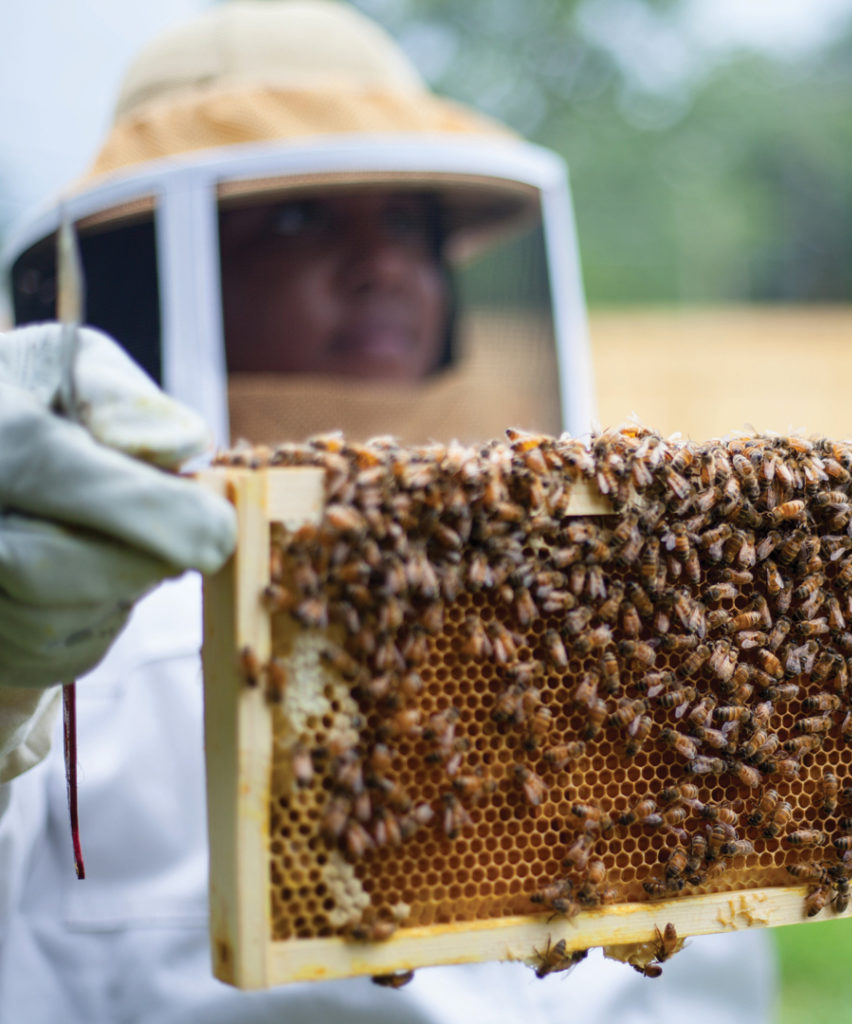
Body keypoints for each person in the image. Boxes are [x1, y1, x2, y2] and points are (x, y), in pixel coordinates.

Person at [0, 3, 777, 1022]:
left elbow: (694, 979)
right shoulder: (53, 585)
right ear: (147, 276)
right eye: (298, 219)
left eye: (408, 224)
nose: (385, 267)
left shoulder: (603, 589)